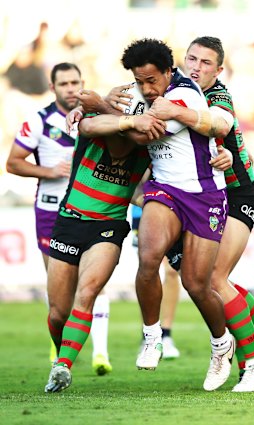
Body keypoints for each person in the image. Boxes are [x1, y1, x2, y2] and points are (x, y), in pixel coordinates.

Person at [143, 36, 254, 392]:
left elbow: (219, 125)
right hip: (198, 195)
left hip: (239, 192)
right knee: (203, 278)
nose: (197, 66)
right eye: (192, 59)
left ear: (219, 71)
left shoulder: (217, 95)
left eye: (206, 63)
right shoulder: (172, 88)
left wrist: (224, 154)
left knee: (213, 278)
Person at [117, 38, 236, 392]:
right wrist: (107, 103)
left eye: (152, 80)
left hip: (203, 194)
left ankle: (221, 344)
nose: (146, 88)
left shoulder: (186, 95)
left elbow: (142, 133)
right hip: (166, 189)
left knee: (197, 284)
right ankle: (152, 335)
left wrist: (118, 117)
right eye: (139, 81)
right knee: (148, 257)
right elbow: (131, 116)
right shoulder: (142, 93)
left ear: (169, 72)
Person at [43, 84, 167, 392]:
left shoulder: (145, 146)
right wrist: (103, 110)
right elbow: (86, 119)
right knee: (58, 314)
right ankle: (64, 351)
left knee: (87, 293)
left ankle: (62, 368)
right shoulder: (97, 127)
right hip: (69, 221)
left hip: (108, 227)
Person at [5, 62, 113, 376]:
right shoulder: (38, 122)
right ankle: (59, 348)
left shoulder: (96, 120)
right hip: (51, 212)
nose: (70, 88)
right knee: (60, 294)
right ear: (52, 88)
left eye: (75, 82)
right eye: (63, 83)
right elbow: (13, 163)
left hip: (91, 211)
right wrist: (47, 171)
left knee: (94, 284)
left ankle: (101, 354)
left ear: (83, 83)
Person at [131, 204, 181, 360]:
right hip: (144, 208)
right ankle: (148, 333)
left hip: (176, 205)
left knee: (172, 270)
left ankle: (166, 334)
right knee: (147, 271)